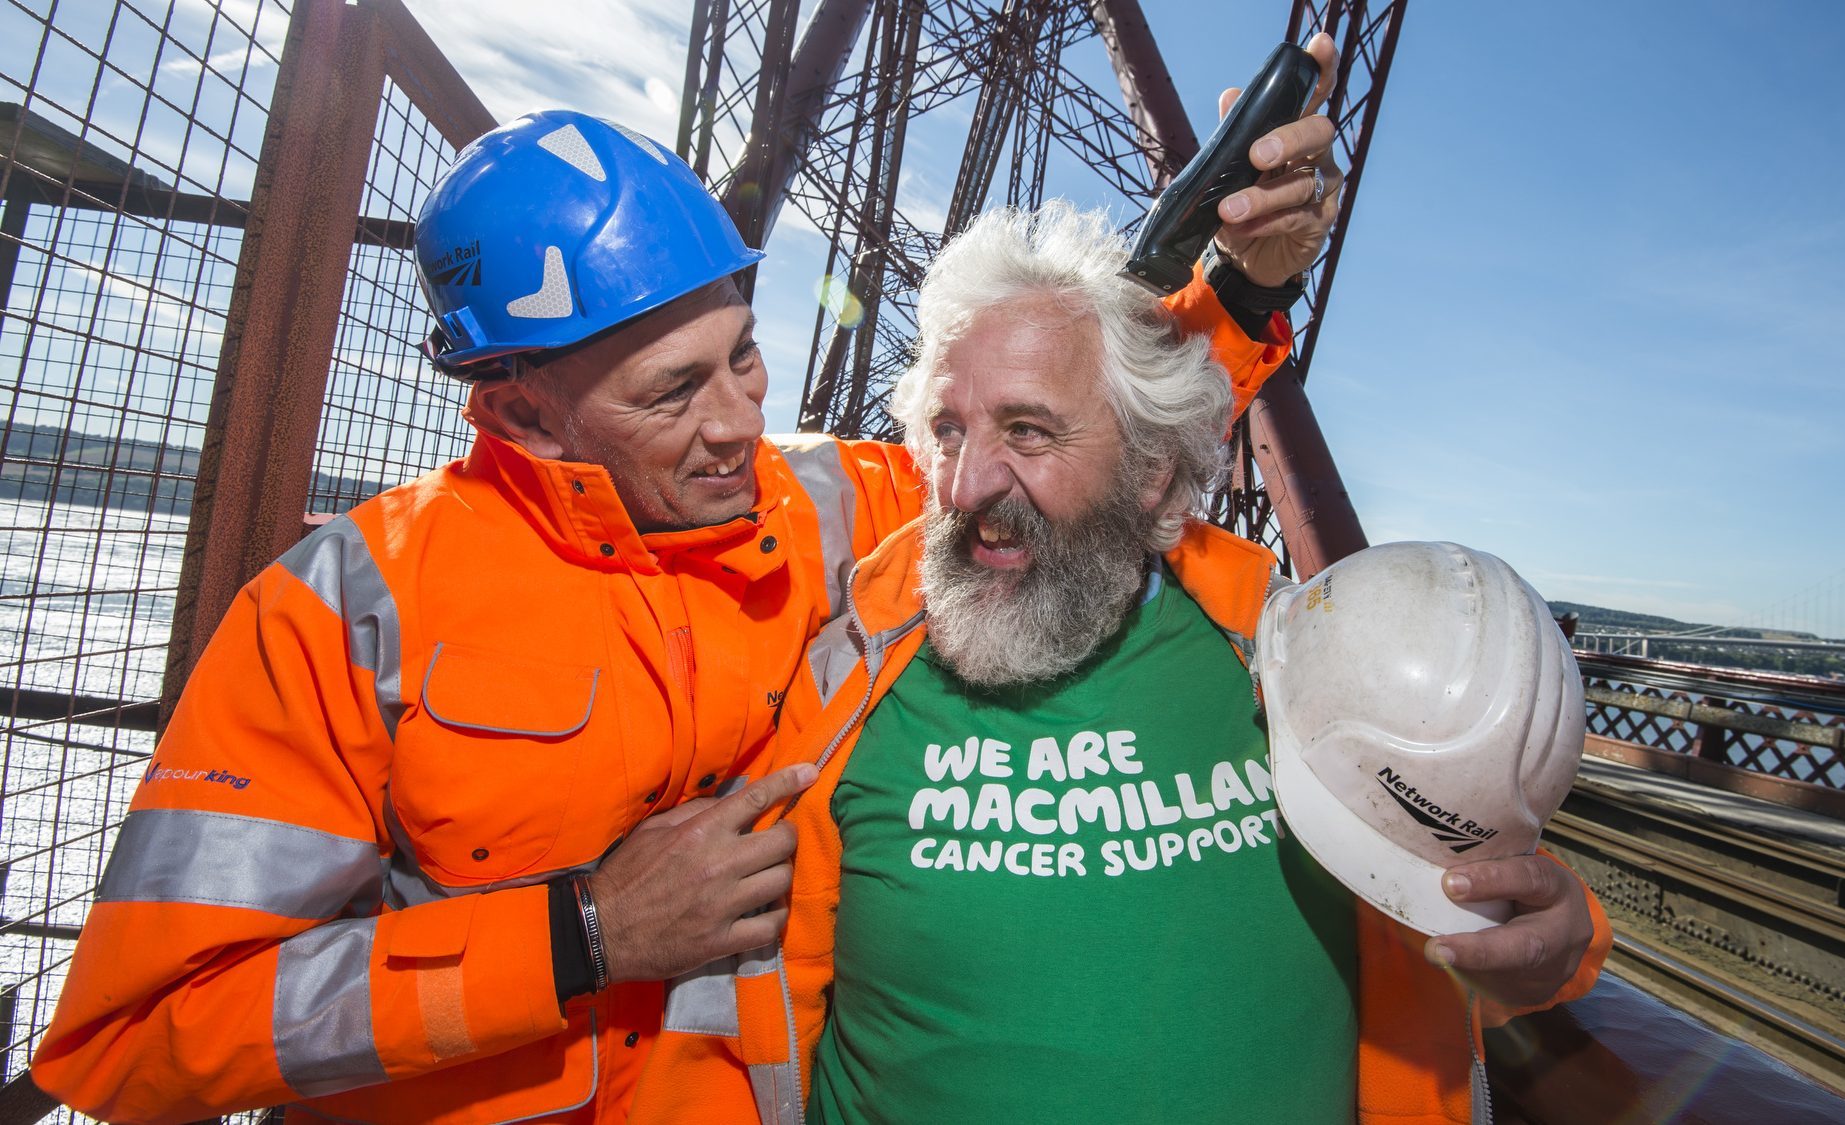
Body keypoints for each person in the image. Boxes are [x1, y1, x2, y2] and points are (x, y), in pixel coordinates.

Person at [28, 38, 1352, 1125]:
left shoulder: (826, 504)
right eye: (674, 390)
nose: (737, 424)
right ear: (525, 408)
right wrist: (578, 934)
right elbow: (134, 1040)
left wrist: (1237, 286)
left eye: (744, 358)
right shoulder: (350, 607)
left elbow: (1061, 453)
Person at [704, 204, 1611, 1124]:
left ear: (1151, 475)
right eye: (947, 430)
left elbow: (1465, 894)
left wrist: (1557, 943)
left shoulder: (1286, 662)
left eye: (1028, 431)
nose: (966, 485)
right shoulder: (835, 679)